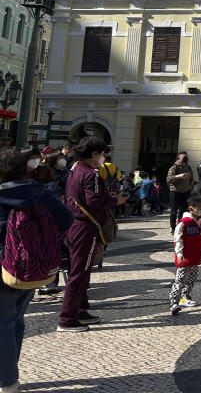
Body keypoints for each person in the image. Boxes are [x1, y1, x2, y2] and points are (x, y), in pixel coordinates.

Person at [0, 149, 73, 393]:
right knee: (15, 321)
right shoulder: (40, 192)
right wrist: (41, 241)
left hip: (3, 266)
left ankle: (7, 380)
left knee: (3, 325)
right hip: (32, 267)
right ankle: (9, 372)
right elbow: (65, 219)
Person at [58, 136, 127, 332]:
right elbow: (95, 201)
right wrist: (116, 201)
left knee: (81, 269)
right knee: (79, 272)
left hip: (74, 224)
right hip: (85, 227)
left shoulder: (75, 170)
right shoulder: (91, 174)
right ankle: (67, 317)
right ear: (94, 154)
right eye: (103, 154)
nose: (104, 158)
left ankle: (80, 309)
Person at [169, 193, 201, 315]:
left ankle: (185, 297)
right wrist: (179, 254)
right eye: (200, 207)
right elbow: (178, 239)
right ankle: (174, 302)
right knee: (180, 279)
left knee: (192, 278)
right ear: (191, 208)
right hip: (185, 256)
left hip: (195, 255)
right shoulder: (184, 223)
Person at [167, 152, 194, 234]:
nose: (185, 159)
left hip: (185, 192)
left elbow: (191, 179)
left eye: (186, 157)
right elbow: (168, 179)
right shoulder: (173, 168)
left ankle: (180, 225)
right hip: (175, 192)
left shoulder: (188, 167)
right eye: (183, 157)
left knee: (184, 210)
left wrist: (190, 187)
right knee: (174, 210)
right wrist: (178, 176)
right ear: (178, 158)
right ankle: (173, 227)